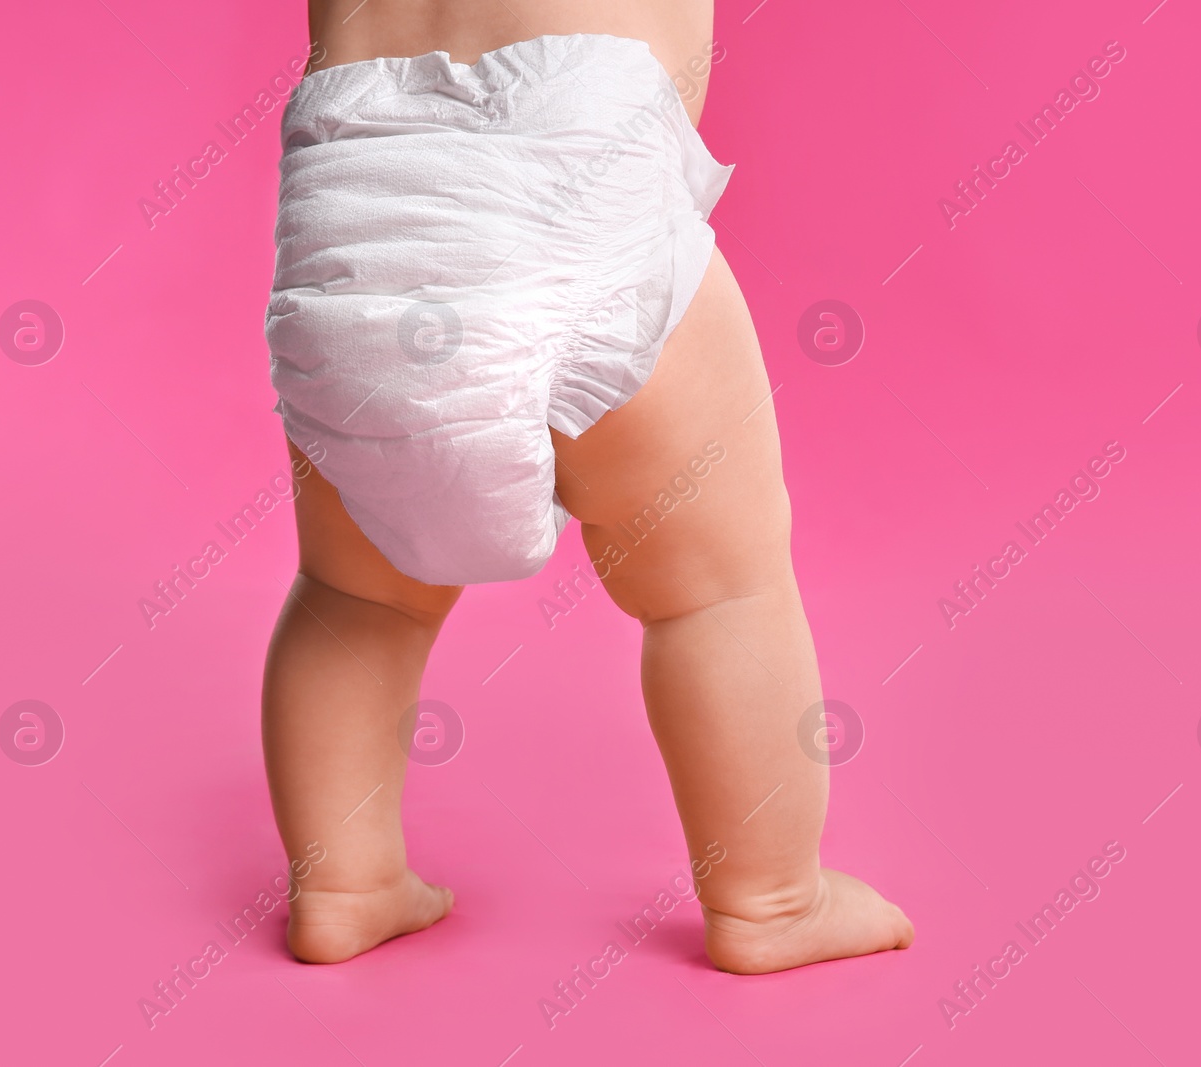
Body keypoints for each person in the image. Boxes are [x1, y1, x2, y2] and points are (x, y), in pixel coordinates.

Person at [260, 0, 914, 974]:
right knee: (716, 589)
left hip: (357, 202)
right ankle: (771, 897)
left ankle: (343, 880)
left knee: (355, 595)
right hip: (575, 164)